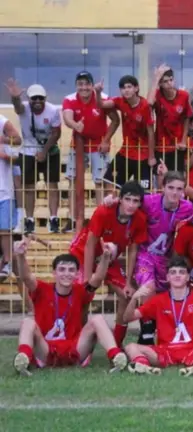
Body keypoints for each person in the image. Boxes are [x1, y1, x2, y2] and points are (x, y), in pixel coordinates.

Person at [13, 239, 128, 376]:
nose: (66, 273)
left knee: (97, 319)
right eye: (62, 269)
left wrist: (106, 257)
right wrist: (20, 255)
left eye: (71, 270)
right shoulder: (42, 289)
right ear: (54, 273)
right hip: (45, 349)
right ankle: (23, 359)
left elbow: (97, 278)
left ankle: (116, 357)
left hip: (75, 349)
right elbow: (26, 277)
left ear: (77, 274)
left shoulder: (80, 291)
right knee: (28, 322)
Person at [68, 181, 149, 346]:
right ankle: (79, 344)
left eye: (135, 201)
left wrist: (128, 282)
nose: (131, 204)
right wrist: (88, 278)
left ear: (140, 203)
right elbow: (90, 244)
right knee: (83, 296)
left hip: (108, 260)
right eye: (128, 199)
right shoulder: (104, 211)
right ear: (120, 199)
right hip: (82, 255)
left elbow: (133, 251)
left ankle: (116, 345)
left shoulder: (140, 219)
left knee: (126, 295)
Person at [123, 257, 193, 376]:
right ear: (167, 277)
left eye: (182, 272)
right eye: (173, 272)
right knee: (130, 347)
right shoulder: (158, 300)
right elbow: (128, 318)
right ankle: (143, 366)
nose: (177, 275)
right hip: (165, 351)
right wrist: (134, 299)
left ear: (188, 277)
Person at [130, 170, 193, 344]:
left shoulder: (187, 208)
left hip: (166, 258)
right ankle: (147, 333)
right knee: (148, 287)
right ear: (163, 187)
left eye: (179, 189)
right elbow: (127, 201)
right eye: (171, 187)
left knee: (166, 294)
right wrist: (111, 200)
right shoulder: (148, 201)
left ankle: (167, 332)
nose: (175, 192)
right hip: (146, 253)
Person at [62, 71, 120, 231]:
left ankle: (101, 218)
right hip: (77, 145)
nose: (84, 87)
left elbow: (116, 120)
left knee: (100, 182)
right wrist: (75, 125)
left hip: (98, 145)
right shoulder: (70, 99)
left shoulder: (103, 98)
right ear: (76, 85)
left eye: (87, 84)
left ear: (92, 85)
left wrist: (106, 140)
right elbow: (67, 118)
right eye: (80, 84)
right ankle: (73, 219)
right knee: (73, 181)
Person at [6, 80, 62, 233]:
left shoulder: (53, 110)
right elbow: (18, 107)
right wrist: (15, 97)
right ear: (29, 99)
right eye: (34, 98)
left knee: (52, 185)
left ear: (45, 98)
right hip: (28, 150)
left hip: (50, 150)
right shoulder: (24, 108)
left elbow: (56, 133)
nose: (37, 101)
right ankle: (29, 220)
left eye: (40, 98)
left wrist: (44, 151)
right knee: (29, 187)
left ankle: (53, 219)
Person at [97, 75, 156, 190]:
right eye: (123, 88)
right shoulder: (120, 101)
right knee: (109, 184)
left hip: (143, 156)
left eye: (129, 87)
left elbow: (151, 133)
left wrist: (151, 156)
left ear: (136, 88)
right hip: (125, 152)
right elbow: (101, 105)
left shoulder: (145, 106)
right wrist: (98, 92)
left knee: (144, 192)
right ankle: (115, 202)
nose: (126, 90)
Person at [146, 64, 193, 174]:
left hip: (178, 145)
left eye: (171, 80)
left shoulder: (184, 95)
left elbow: (187, 118)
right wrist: (156, 78)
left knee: (177, 177)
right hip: (161, 144)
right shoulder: (158, 95)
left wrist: (183, 140)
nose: (169, 83)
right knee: (161, 177)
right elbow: (149, 102)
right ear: (160, 84)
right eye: (165, 81)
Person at [0, 115, 22, 279]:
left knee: (5, 229)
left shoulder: (1, 120)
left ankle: (7, 262)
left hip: (4, 190)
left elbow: (18, 140)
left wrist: (3, 141)